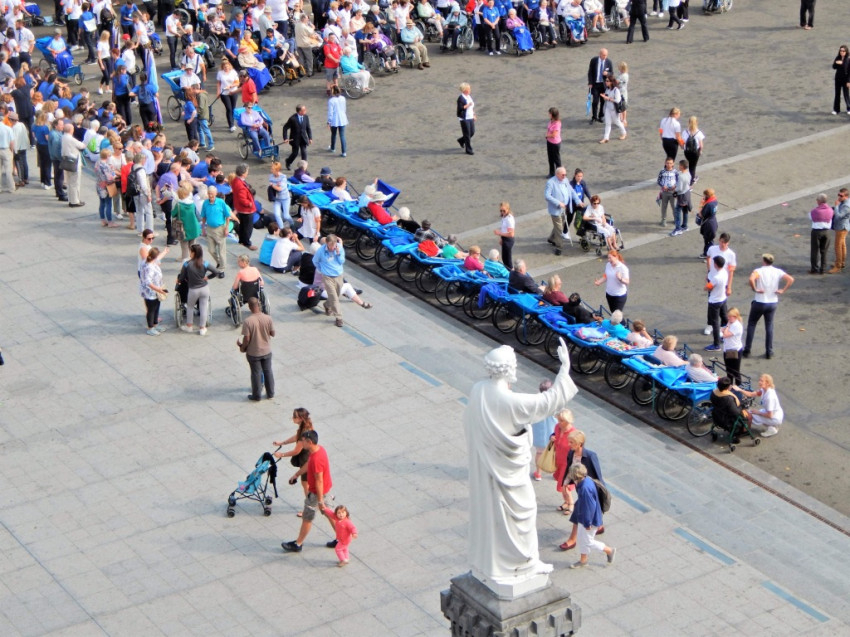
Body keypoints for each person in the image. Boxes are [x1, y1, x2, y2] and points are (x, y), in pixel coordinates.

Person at [463, 341, 577, 593]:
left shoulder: (479, 390)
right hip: (509, 474)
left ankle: (498, 563)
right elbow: (549, 402)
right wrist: (564, 369)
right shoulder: (509, 401)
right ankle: (523, 563)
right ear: (508, 369)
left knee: (494, 516)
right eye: (514, 365)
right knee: (522, 513)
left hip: (489, 469)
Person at [281, 430, 335, 552]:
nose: (301, 443)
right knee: (330, 514)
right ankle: (341, 538)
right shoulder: (319, 450)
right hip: (325, 490)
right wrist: (297, 474)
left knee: (307, 517)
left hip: (316, 494)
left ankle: (298, 544)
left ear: (309, 442)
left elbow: (319, 481)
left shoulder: (316, 459)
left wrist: (320, 501)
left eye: (303, 441)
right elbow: (308, 463)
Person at [559, 430, 605, 551]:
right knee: (589, 509)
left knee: (578, 511)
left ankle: (572, 539)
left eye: (572, 442)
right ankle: (599, 525)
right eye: (569, 442)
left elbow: (598, 476)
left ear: (580, 443)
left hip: (589, 489)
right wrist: (565, 483)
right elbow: (570, 469)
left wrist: (598, 494)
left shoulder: (590, 456)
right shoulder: (571, 453)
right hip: (580, 487)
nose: (569, 444)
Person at [743, 254, 794, 360]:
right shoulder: (777, 271)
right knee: (769, 326)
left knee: (752, 324)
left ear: (763, 261)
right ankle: (769, 351)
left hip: (759, 302)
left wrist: (755, 289)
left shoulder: (758, 271)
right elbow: (790, 279)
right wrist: (783, 290)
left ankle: (747, 350)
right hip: (772, 302)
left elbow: (751, 279)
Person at [566, 463, 615, 568]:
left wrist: (587, 523)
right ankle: (583, 560)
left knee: (588, 541)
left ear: (575, 476)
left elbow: (589, 507)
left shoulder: (585, 488)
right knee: (581, 538)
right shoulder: (586, 480)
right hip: (584, 517)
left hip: (590, 520)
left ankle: (609, 550)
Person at [238, 296, 276, 401]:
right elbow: (273, 333)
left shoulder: (248, 321)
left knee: (256, 373)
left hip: (254, 353)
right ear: (258, 305)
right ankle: (270, 393)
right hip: (266, 351)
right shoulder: (268, 318)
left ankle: (257, 396)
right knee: (268, 371)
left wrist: (242, 347)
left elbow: (247, 339)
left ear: (249, 307)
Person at [272, 407, 315, 500]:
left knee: (306, 484)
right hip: (309, 458)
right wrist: (282, 443)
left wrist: (281, 454)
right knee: (311, 482)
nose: (292, 418)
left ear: (300, 418)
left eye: (294, 416)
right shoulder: (305, 427)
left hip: (306, 460)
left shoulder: (304, 432)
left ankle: (310, 504)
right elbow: (296, 437)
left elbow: (296, 451)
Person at [177, 244, 220, 336]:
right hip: (204, 288)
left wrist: (178, 280)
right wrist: (208, 277)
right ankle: (202, 328)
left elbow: (182, 277)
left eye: (190, 251)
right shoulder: (205, 263)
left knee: (190, 307)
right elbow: (216, 272)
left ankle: (189, 326)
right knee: (203, 308)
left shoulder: (187, 264)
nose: (190, 253)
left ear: (194, 253)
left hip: (193, 290)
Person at [545, 167, 583, 255]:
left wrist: (578, 201)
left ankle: (551, 238)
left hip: (564, 208)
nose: (564, 176)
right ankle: (559, 247)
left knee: (559, 225)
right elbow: (547, 196)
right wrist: (558, 203)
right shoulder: (551, 182)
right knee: (559, 229)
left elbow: (571, 191)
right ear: (557, 174)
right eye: (563, 175)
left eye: (565, 174)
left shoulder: (565, 180)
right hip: (555, 209)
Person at [704, 232, 736, 333]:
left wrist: (729, 287)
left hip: (723, 281)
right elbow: (708, 257)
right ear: (719, 240)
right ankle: (710, 324)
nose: (723, 244)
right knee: (711, 302)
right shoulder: (712, 249)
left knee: (723, 304)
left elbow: (731, 272)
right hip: (712, 280)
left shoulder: (731, 254)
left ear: (728, 243)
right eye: (721, 242)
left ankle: (724, 325)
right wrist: (709, 271)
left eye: (725, 243)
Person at [201, 185, 238, 271]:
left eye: (212, 194)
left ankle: (222, 268)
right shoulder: (205, 203)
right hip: (209, 228)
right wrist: (203, 228)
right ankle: (219, 262)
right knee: (211, 250)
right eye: (209, 193)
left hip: (220, 228)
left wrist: (226, 228)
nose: (210, 195)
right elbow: (203, 217)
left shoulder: (221, 202)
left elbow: (227, 216)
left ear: (215, 193)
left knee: (221, 251)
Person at [314, 234, 347, 327]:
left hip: (338, 275)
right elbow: (315, 261)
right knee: (334, 298)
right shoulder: (321, 251)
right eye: (330, 246)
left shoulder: (339, 248)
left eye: (334, 245)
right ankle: (339, 318)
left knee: (336, 295)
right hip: (327, 276)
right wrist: (321, 269)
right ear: (326, 243)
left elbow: (342, 261)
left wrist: (338, 253)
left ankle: (327, 305)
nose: (332, 248)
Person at [530, 379, 556, 481]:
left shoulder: (535, 400)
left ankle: (538, 473)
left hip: (539, 433)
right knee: (551, 452)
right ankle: (554, 471)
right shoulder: (554, 402)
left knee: (539, 453)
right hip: (552, 433)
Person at [139, 247, 168, 336]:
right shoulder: (149, 267)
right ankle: (150, 327)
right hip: (150, 292)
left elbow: (158, 258)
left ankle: (155, 324)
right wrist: (158, 289)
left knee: (156, 307)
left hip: (155, 291)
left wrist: (165, 252)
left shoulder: (149, 261)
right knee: (151, 310)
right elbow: (148, 282)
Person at [552, 409, 576, 512]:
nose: (559, 422)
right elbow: (554, 436)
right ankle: (566, 502)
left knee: (564, 485)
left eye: (561, 420)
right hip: (559, 460)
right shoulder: (557, 427)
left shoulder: (573, 433)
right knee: (562, 484)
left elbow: (577, 449)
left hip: (568, 464)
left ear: (568, 420)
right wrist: (552, 437)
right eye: (558, 420)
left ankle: (571, 503)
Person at [703, 255, 728, 352]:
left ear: (716, 264)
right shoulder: (725, 272)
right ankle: (725, 335)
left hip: (714, 301)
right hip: (723, 298)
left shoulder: (716, 278)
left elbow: (707, 287)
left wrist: (706, 283)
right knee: (724, 318)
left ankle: (716, 344)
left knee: (715, 322)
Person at [232, 163, 258, 250]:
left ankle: (242, 240)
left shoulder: (236, 180)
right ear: (243, 173)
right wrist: (249, 203)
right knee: (247, 227)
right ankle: (247, 243)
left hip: (240, 208)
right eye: (247, 171)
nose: (247, 173)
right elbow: (242, 199)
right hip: (246, 210)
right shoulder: (240, 185)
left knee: (243, 226)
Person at [61, 122, 86, 207]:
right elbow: (82, 146)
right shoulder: (71, 139)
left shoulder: (63, 137)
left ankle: (71, 199)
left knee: (69, 182)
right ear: (71, 130)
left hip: (66, 160)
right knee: (75, 182)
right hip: (74, 162)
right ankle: (75, 201)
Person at [282, 104, 312, 170]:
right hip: (295, 139)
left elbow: (308, 128)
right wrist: (285, 138)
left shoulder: (306, 117)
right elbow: (285, 128)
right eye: (304, 110)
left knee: (304, 152)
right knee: (295, 153)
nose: (306, 111)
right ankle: (288, 161)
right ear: (300, 111)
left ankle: (304, 168)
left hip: (303, 138)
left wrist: (310, 138)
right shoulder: (292, 119)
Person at [809, 193, 834, 274]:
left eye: (817, 200)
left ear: (819, 201)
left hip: (816, 232)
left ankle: (814, 268)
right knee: (824, 251)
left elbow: (810, 217)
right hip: (827, 232)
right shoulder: (830, 210)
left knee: (814, 251)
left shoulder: (814, 211)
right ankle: (823, 269)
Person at [587, 48, 612, 124]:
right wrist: (590, 82)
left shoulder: (608, 62)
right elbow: (590, 72)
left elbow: (611, 73)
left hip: (603, 85)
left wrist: (607, 74)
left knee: (603, 101)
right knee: (595, 101)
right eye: (604, 55)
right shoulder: (594, 60)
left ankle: (601, 115)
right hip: (595, 84)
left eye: (606, 55)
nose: (605, 57)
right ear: (600, 54)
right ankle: (594, 117)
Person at [94, 148, 118, 227]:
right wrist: (114, 175)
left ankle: (103, 220)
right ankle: (110, 222)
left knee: (102, 203)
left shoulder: (97, 163)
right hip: (106, 187)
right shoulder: (105, 166)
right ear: (107, 156)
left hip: (99, 185)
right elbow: (109, 178)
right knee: (108, 204)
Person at [599, 77, 626, 143]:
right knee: (607, 123)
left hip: (614, 109)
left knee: (617, 122)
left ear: (611, 82)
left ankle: (624, 133)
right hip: (608, 108)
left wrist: (608, 98)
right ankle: (606, 138)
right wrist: (604, 96)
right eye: (606, 81)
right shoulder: (607, 89)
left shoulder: (616, 90)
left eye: (607, 81)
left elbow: (618, 100)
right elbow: (606, 96)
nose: (606, 82)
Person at [829, 188, 850, 273]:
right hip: (842, 227)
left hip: (841, 228)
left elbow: (839, 216)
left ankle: (837, 266)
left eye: (841, 196)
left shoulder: (846, 206)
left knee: (838, 247)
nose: (839, 197)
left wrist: (836, 206)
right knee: (842, 245)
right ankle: (842, 262)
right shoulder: (844, 202)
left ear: (846, 196)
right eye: (838, 195)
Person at [721, 307, 744, 385]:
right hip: (728, 349)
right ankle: (730, 386)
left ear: (735, 316)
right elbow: (723, 330)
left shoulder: (737, 325)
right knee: (729, 371)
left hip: (734, 350)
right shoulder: (731, 323)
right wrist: (724, 328)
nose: (728, 318)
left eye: (729, 316)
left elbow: (725, 335)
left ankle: (738, 386)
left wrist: (727, 327)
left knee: (735, 371)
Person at [670, 159, 691, 236]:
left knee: (677, 211)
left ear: (682, 166)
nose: (678, 166)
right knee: (685, 210)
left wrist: (674, 189)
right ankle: (685, 226)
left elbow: (680, 188)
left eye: (679, 165)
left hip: (682, 195)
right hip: (687, 193)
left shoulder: (681, 177)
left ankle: (678, 229)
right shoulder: (688, 173)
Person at [327, 85, 348, 157]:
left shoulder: (331, 101)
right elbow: (344, 109)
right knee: (342, 135)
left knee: (333, 134)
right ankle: (344, 152)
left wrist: (329, 121)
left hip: (334, 119)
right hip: (342, 118)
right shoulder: (343, 98)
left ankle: (333, 148)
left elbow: (330, 112)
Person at [682, 116, 704, 185]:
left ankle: (691, 177)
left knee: (690, 163)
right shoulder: (699, 133)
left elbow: (683, 142)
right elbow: (701, 145)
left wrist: (683, 148)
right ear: (696, 122)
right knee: (693, 166)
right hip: (695, 152)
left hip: (687, 151)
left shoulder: (685, 132)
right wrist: (700, 151)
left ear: (688, 122)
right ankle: (692, 180)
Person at [697, 187, 718, 259]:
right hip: (713, 221)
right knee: (709, 240)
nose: (703, 196)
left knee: (708, 241)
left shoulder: (708, 205)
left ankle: (708, 255)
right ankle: (707, 254)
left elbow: (701, 214)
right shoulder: (715, 201)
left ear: (708, 195)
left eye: (705, 195)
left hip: (708, 225)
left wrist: (701, 204)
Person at [493, 202, 515, 269]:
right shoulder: (504, 217)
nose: (502, 212)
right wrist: (502, 238)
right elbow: (504, 229)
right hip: (505, 238)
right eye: (501, 210)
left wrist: (499, 233)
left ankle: (510, 272)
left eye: (504, 210)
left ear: (508, 209)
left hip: (508, 240)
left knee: (507, 260)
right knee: (504, 258)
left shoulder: (509, 219)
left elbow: (511, 234)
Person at [656, 157, 677, 228]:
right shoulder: (662, 171)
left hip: (673, 192)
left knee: (674, 206)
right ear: (665, 163)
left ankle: (676, 219)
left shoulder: (675, 172)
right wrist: (663, 186)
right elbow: (658, 181)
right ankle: (663, 219)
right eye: (667, 163)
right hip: (664, 192)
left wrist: (675, 186)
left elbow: (678, 181)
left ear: (673, 164)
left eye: (670, 163)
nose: (669, 165)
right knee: (664, 206)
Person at [456, 82, 475, 156]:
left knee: (472, 132)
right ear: (464, 90)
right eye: (468, 89)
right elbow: (460, 108)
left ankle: (461, 140)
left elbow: (472, 107)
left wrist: (474, 115)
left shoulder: (469, 97)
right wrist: (467, 105)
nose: (470, 90)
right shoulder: (461, 98)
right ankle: (468, 149)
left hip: (470, 117)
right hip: (464, 118)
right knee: (467, 134)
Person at [831, 45, 849, 115]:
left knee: (846, 94)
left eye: (843, 51)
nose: (842, 52)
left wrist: (848, 81)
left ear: (846, 52)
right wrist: (836, 63)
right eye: (841, 51)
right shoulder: (838, 57)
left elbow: (849, 71)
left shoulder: (848, 59)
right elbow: (833, 67)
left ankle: (849, 108)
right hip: (838, 79)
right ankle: (836, 109)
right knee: (837, 94)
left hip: (845, 79)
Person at [545, 107, 561, 178]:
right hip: (549, 142)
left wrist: (547, 135)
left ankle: (559, 174)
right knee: (550, 158)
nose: (548, 114)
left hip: (555, 143)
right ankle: (551, 173)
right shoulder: (551, 121)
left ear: (552, 114)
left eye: (549, 113)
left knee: (556, 159)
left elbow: (554, 134)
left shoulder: (557, 123)